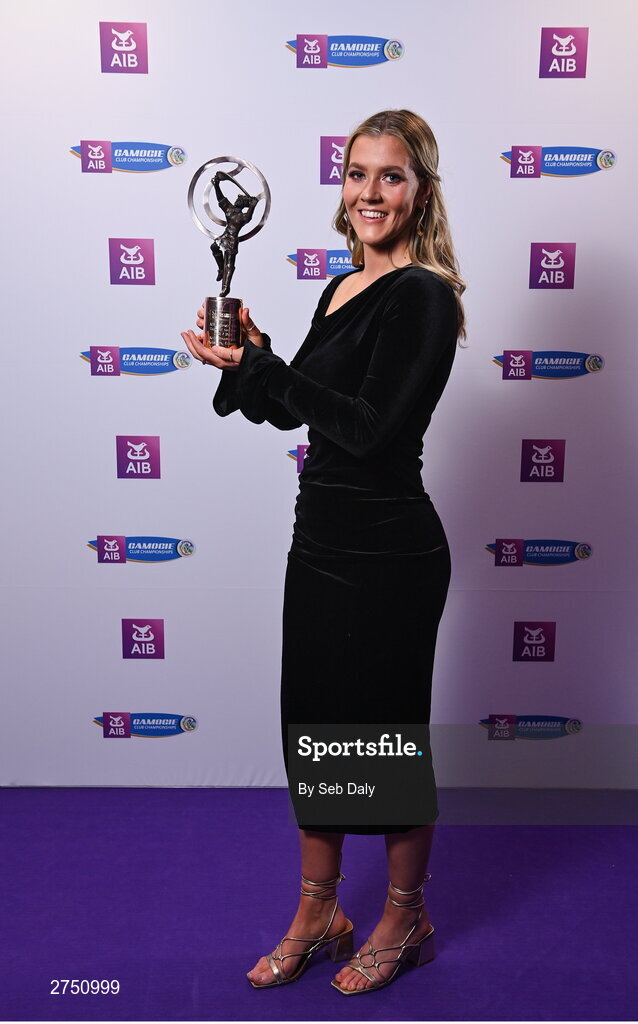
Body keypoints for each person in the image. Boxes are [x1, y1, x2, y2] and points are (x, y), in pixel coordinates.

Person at [181, 109, 466, 995]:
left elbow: (372, 431)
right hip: (321, 543)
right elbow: (294, 409)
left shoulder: (422, 293)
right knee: (317, 733)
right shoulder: (340, 288)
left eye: (390, 176)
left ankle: (405, 915)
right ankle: (319, 910)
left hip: (389, 551)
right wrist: (248, 359)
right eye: (355, 174)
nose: (369, 192)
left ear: (420, 191)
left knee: (381, 739)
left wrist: (271, 372)